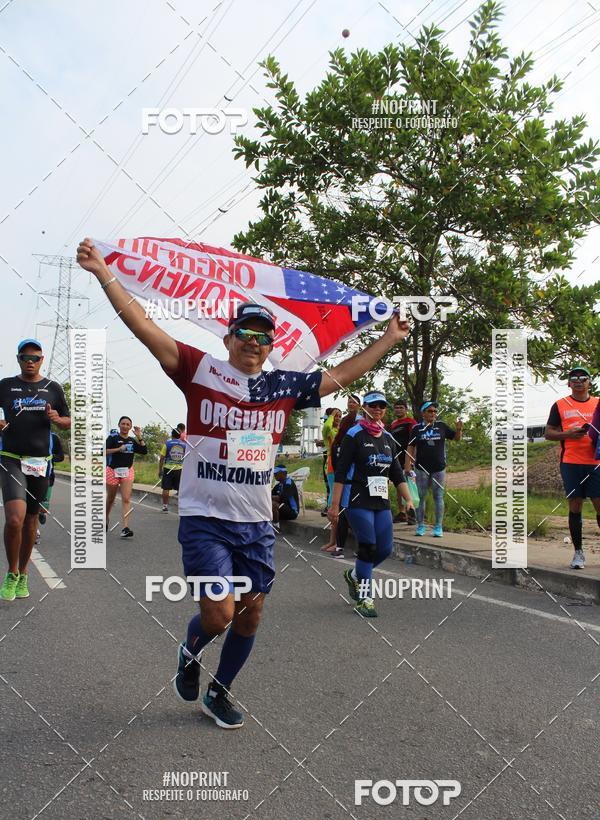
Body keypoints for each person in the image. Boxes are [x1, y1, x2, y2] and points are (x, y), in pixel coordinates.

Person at [77, 236, 410, 728]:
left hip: (255, 523)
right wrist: (105, 273)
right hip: (205, 519)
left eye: (263, 336)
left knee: (250, 614)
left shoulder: (282, 385)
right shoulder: (199, 369)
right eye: (245, 333)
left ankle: (220, 691)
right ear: (228, 338)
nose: (254, 342)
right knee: (220, 615)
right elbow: (143, 325)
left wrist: (390, 338)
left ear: (272, 346)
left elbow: (340, 375)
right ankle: (191, 649)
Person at [330, 392, 414, 618]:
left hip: (381, 500)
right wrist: (334, 505)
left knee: (385, 549)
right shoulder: (354, 434)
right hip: (357, 498)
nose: (377, 409)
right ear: (364, 408)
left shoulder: (387, 438)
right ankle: (365, 599)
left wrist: (409, 500)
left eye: (381, 406)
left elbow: (396, 473)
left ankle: (355, 575)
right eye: (373, 405)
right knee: (368, 547)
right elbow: (340, 471)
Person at [0, 339, 70, 601]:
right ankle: (11, 572)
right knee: (14, 519)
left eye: (35, 358)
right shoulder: (6, 385)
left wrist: (58, 419)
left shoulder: (53, 388)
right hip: (11, 458)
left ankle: (24, 572)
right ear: (18, 359)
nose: (30, 362)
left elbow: (68, 420)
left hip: (40, 462)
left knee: (30, 520)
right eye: (25, 357)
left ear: (42, 360)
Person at [545, 366, 600, 569]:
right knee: (575, 504)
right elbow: (548, 433)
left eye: (583, 378)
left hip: (596, 463)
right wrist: (568, 434)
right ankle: (578, 553)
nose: (578, 381)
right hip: (571, 462)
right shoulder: (560, 405)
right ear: (569, 383)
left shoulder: (598, 403)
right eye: (574, 378)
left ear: (589, 382)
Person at [405, 401, 462, 537]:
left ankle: (438, 527)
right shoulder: (417, 428)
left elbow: (456, 438)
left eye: (435, 411)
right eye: (430, 411)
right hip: (421, 468)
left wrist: (459, 429)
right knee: (421, 496)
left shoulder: (441, 426)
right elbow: (410, 447)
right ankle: (420, 526)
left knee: (438, 496)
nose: (433, 413)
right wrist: (407, 465)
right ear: (423, 413)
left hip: (439, 468)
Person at [328, 393, 362, 558]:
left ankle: (362, 548)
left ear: (360, 405)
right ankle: (339, 547)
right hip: (346, 476)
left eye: (354, 402)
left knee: (361, 514)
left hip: (362, 478)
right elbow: (336, 445)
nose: (351, 404)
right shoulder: (345, 423)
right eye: (349, 401)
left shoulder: (365, 423)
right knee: (343, 511)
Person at [106, 416, 148, 537]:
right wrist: (119, 449)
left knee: (126, 499)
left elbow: (144, 451)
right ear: (119, 425)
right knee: (111, 499)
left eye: (127, 424)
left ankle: (125, 528)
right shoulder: (113, 438)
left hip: (127, 471)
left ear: (130, 427)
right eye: (123, 424)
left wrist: (139, 436)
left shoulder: (131, 440)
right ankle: (106, 518)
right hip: (112, 470)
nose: (125, 426)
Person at [389, 399, 417, 524]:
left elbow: (414, 442)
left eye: (401, 407)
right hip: (396, 458)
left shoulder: (411, 422)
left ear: (406, 409)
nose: (398, 410)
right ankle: (402, 512)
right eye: (396, 407)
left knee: (410, 485)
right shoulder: (393, 424)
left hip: (407, 459)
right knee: (398, 485)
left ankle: (411, 512)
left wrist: (410, 461)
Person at [36, 431, 65, 542]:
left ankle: (41, 513)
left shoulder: (54, 437)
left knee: (43, 508)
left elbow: (61, 456)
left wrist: (50, 456)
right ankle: (35, 531)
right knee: (31, 505)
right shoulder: (27, 433)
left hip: (47, 476)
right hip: (30, 474)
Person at [320, 407, 342, 551]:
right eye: (335, 416)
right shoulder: (328, 430)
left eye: (340, 416)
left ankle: (336, 541)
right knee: (333, 501)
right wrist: (332, 415)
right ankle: (333, 541)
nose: (338, 418)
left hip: (342, 465)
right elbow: (326, 427)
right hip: (331, 466)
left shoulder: (341, 430)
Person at [159, 427, 186, 512]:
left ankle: (165, 506)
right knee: (180, 489)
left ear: (172, 435)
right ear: (180, 435)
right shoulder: (184, 445)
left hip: (168, 468)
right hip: (179, 469)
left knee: (166, 488)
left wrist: (160, 470)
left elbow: (162, 458)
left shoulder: (167, 444)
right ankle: (181, 507)